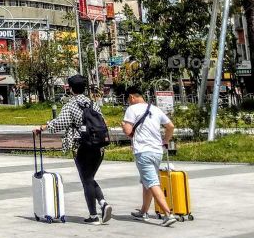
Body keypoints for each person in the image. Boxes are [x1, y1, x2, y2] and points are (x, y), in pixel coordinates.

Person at [38, 74, 113, 224]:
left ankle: (94, 215)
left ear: (71, 89)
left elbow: (60, 123)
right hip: (98, 146)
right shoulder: (93, 104)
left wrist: (43, 127)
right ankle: (102, 203)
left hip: (82, 146)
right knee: (89, 178)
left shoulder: (71, 105)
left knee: (86, 180)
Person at [122, 87, 177, 226]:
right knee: (147, 183)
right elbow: (170, 126)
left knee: (152, 183)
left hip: (143, 151)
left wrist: (124, 127)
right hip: (157, 151)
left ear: (132, 97)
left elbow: (128, 131)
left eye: (129, 99)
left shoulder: (131, 110)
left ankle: (167, 214)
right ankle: (143, 212)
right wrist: (165, 141)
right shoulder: (155, 109)